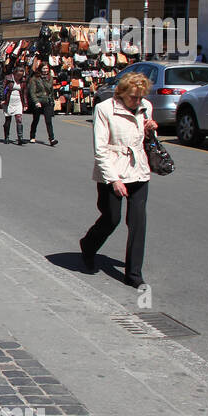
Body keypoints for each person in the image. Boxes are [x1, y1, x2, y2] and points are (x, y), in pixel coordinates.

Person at [79, 72, 157, 288]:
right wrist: (114, 180)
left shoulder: (146, 107)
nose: (137, 101)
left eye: (141, 97)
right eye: (133, 97)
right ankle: (88, 246)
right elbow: (100, 149)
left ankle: (134, 273)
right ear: (121, 93)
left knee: (138, 222)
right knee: (111, 218)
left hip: (138, 169)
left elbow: (144, 141)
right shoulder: (104, 109)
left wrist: (150, 131)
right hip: (112, 170)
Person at [27, 62, 57, 145]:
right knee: (36, 119)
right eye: (44, 68)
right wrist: (36, 101)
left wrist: (52, 100)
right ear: (40, 69)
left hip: (47, 101)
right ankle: (32, 136)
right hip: (38, 101)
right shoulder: (35, 78)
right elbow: (32, 92)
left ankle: (52, 139)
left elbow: (51, 91)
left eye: (47, 68)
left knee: (48, 121)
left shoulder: (50, 78)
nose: (45, 70)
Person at [1, 70, 28, 146]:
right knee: (8, 120)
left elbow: (24, 93)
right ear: (14, 74)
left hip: (18, 101)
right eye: (18, 75)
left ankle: (20, 138)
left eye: (21, 75)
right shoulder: (8, 78)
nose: (19, 77)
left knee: (19, 119)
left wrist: (25, 104)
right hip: (8, 101)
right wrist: (2, 99)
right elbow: (3, 89)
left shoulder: (23, 81)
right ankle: (6, 137)